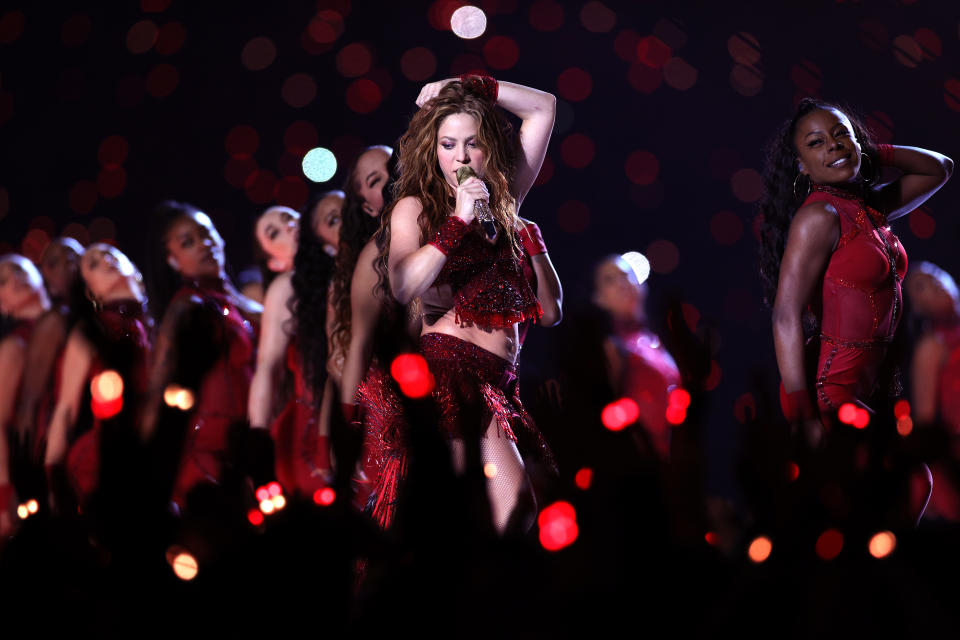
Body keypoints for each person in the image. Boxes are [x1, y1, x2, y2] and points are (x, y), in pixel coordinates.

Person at [385, 75, 560, 532]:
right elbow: (402, 285)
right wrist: (457, 221)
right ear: (433, 149)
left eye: (472, 143)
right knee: (507, 508)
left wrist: (469, 83)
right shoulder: (416, 208)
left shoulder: (503, 200)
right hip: (451, 374)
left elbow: (543, 107)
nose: (460, 157)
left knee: (478, 522)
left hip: (499, 381)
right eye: (448, 144)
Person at [760, 98, 952, 440]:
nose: (833, 144)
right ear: (801, 165)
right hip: (831, 396)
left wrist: (865, 151)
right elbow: (784, 315)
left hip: (868, 391)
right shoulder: (818, 217)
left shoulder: (868, 208)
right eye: (816, 143)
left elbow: (940, 167)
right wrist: (803, 416)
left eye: (840, 135)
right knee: (913, 482)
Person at [144, 201, 262, 509]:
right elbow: (159, 388)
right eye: (188, 242)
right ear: (172, 260)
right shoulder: (186, 307)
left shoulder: (244, 305)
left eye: (206, 233)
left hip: (252, 446)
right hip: (206, 452)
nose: (204, 244)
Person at [44, 244, 151, 507]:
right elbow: (65, 408)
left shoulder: (161, 321)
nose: (105, 261)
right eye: (93, 263)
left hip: (159, 450)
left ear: (135, 271)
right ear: (91, 292)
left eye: (112, 255)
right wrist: (52, 482)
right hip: (107, 459)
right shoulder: (91, 330)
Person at [249, 201, 335, 496]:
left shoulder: (346, 263)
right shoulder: (285, 287)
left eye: (288, 218)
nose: (287, 227)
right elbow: (268, 366)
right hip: (314, 420)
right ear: (274, 262)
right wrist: (257, 439)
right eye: (273, 234)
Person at [592, 253, 680, 460]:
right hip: (635, 461)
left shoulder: (654, 340)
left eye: (626, 274)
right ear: (598, 298)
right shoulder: (609, 347)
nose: (622, 283)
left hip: (672, 457)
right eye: (609, 280)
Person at [0, 255, 51, 535]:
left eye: (19, 270)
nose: (15, 280)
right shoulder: (14, 347)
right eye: (2, 282)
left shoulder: (71, 325)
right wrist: (4, 496)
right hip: (33, 473)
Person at [905, 262, 960, 520]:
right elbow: (926, 428)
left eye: (935, 272)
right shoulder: (931, 349)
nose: (934, 282)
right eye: (920, 286)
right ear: (916, 308)